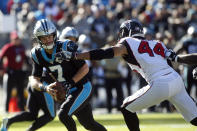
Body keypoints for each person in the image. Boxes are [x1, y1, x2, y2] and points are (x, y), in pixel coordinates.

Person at [56, 19, 197, 131]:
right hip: (176, 80)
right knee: (195, 118)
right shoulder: (157, 43)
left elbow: (106, 53)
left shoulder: (128, 42)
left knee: (126, 107)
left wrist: (76, 55)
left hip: (159, 82)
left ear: (126, 32)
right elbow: (173, 63)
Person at [29, 19, 107, 131]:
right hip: (69, 91)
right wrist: (45, 88)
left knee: (63, 115)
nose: (48, 40)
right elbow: (34, 80)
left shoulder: (65, 46)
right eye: (44, 38)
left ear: (54, 35)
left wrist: (69, 83)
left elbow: (85, 68)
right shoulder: (36, 54)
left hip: (82, 87)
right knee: (89, 124)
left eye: (50, 36)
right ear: (38, 39)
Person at [0, 31, 26, 112]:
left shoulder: (22, 47)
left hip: (19, 72)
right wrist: (1, 69)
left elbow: (25, 59)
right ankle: (6, 109)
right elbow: (1, 58)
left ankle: (22, 109)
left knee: (20, 91)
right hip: (10, 72)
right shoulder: (8, 47)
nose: (17, 40)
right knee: (8, 92)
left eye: (18, 39)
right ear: (12, 39)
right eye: (16, 39)